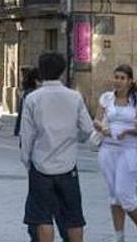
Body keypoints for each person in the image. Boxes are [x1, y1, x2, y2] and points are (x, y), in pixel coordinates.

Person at [20, 52, 93, 242]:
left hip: (41, 165)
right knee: (73, 216)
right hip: (68, 166)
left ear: (41, 72)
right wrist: (74, 139)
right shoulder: (74, 97)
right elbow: (87, 129)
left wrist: (27, 160)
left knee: (42, 216)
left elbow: (27, 135)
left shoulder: (33, 99)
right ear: (62, 71)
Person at [94, 64, 137, 242]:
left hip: (129, 149)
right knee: (114, 196)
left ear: (129, 81)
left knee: (124, 194)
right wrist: (102, 127)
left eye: (122, 78)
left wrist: (127, 132)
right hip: (107, 149)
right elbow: (96, 120)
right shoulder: (106, 98)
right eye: (116, 77)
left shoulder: (135, 101)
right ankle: (119, 236)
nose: (118, 81)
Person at [14, 67, 41, 137]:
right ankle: (18, 129)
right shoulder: (28, 80)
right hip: (27, 93)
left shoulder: (27, 79)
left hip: (27, 94)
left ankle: (18, 129)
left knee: (23, 113)